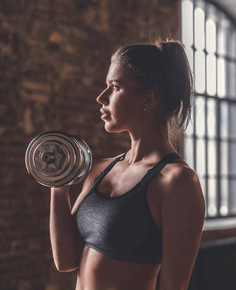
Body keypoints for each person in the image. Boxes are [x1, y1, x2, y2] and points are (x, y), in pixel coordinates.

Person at [49, 40, 206, 290]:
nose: (101, 98)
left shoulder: (176, 182)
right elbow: (65, 261)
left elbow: (173, 286)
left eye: (115, 87)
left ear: (149, 99)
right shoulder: (100, 170)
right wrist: (58, 184)